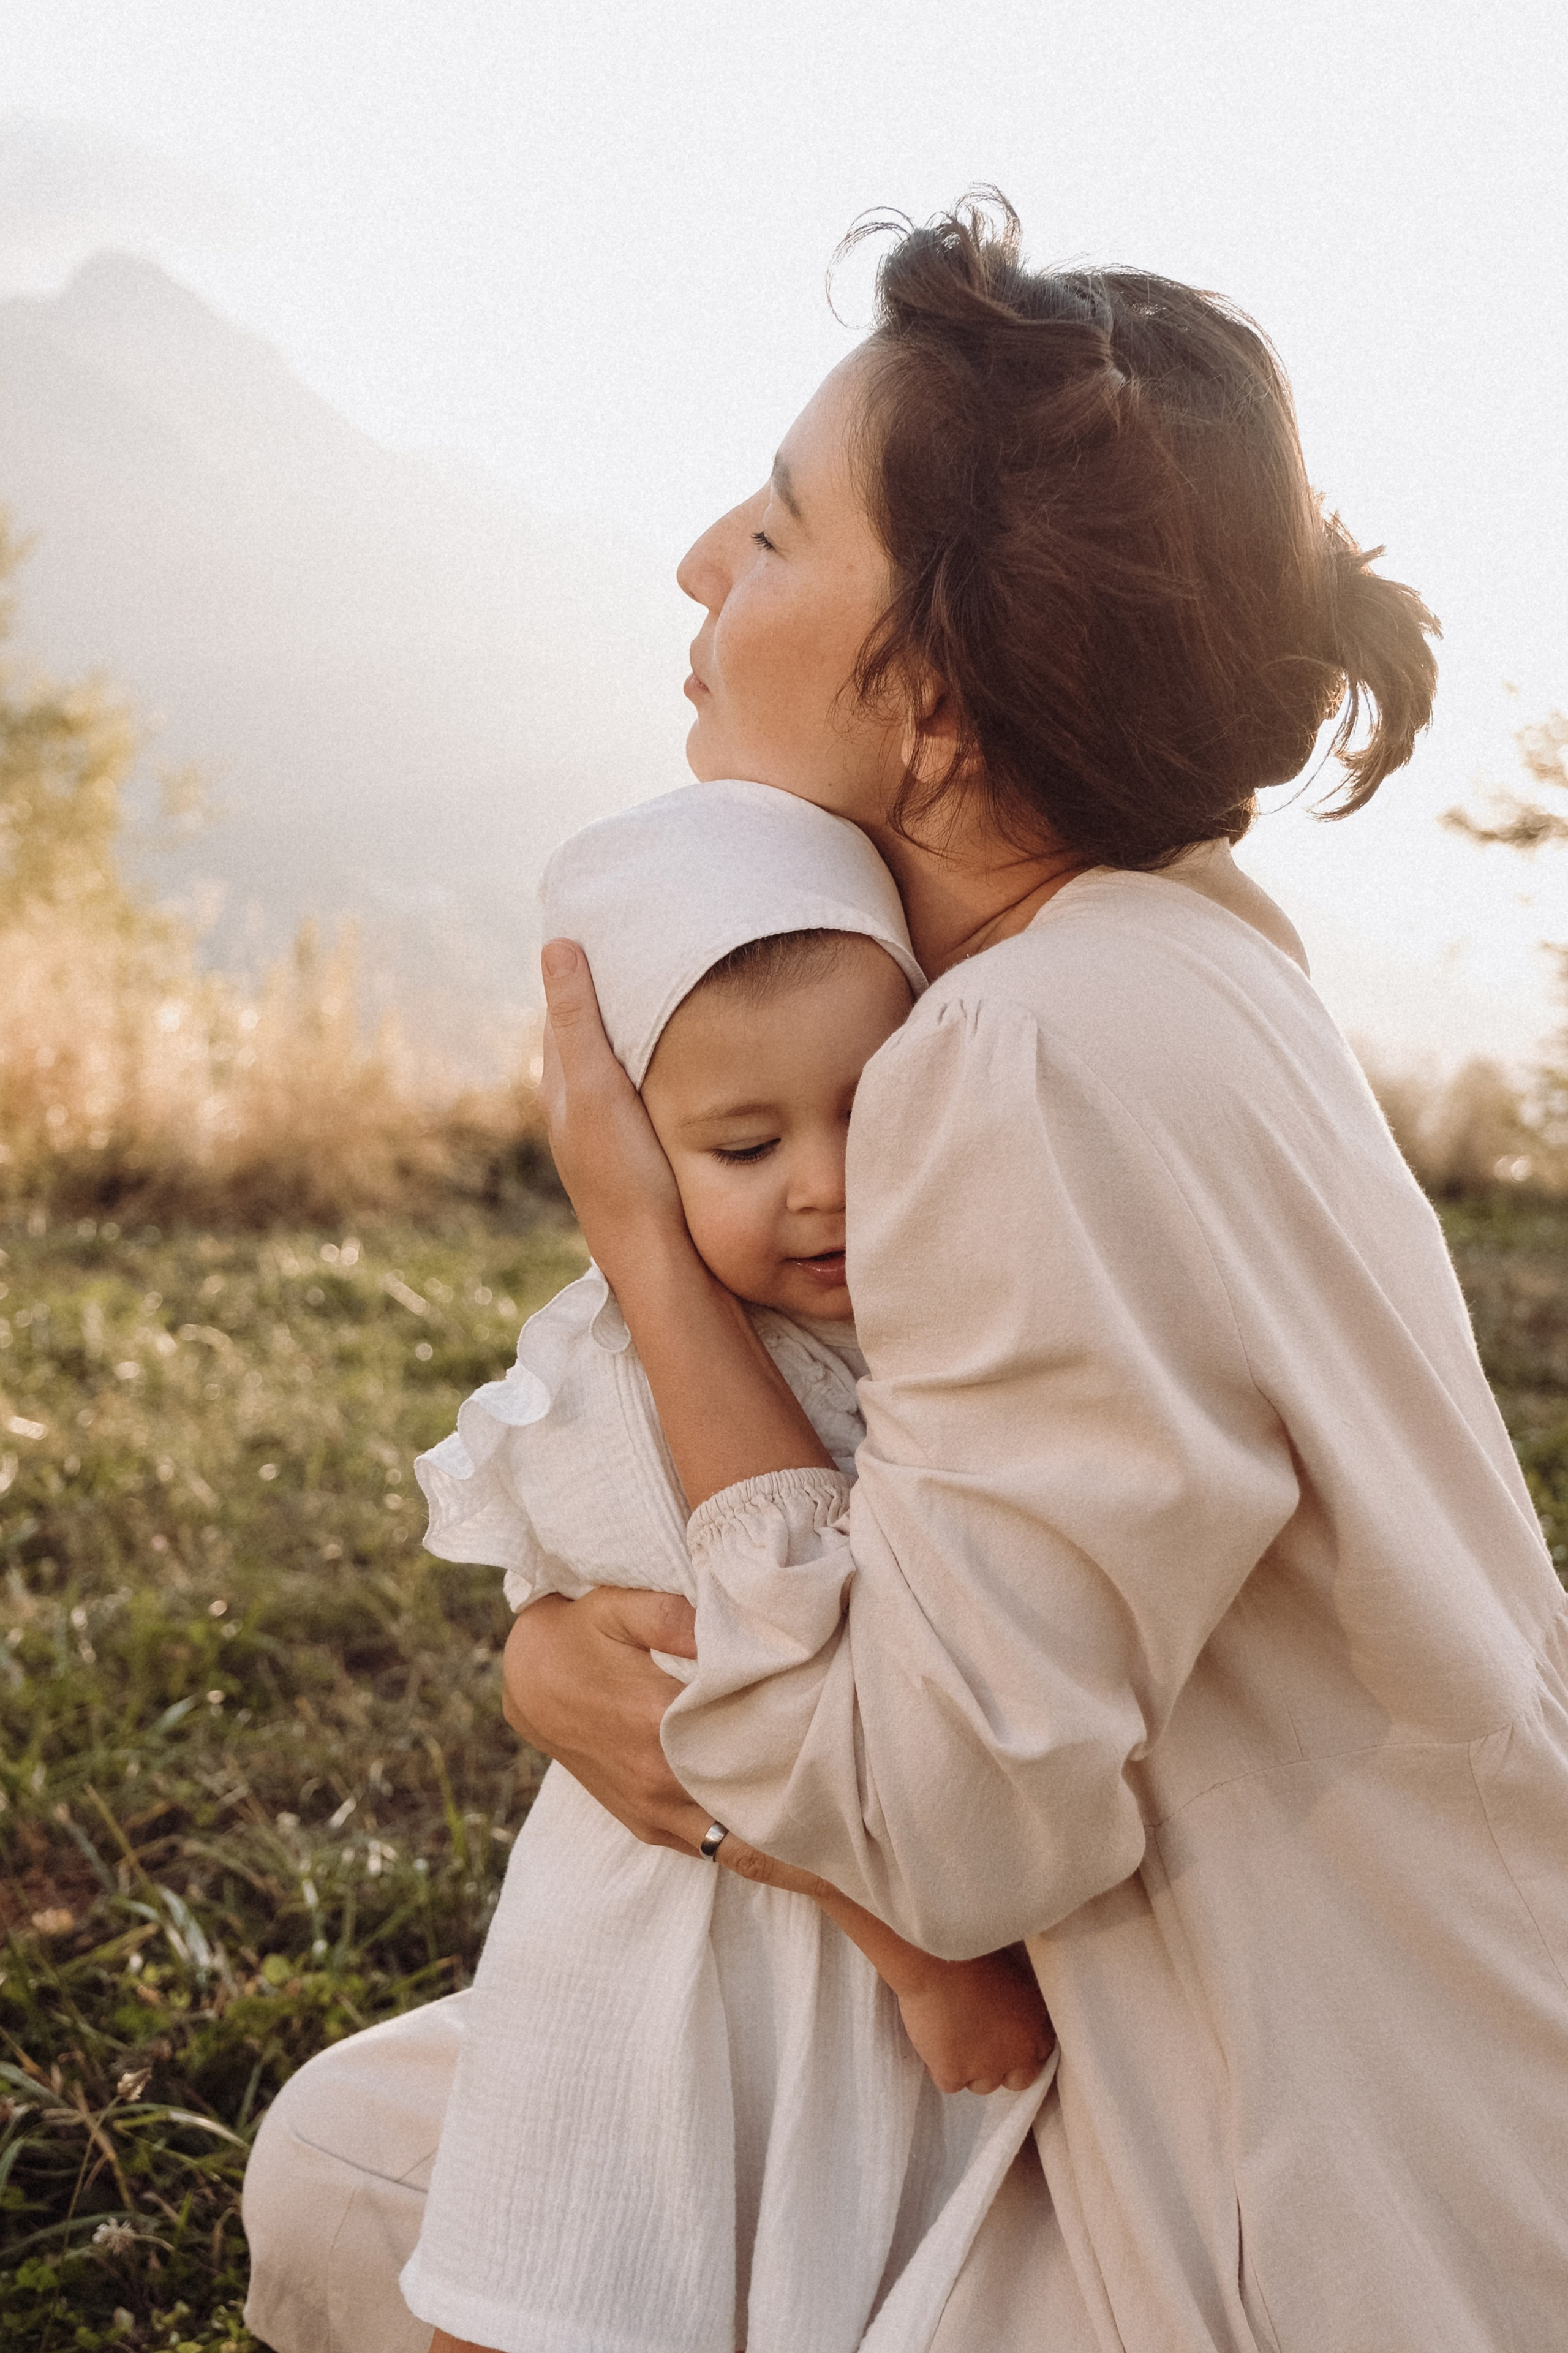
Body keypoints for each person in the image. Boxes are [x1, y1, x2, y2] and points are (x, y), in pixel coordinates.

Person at [507, 200, 1568, 2350]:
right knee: (416, 2151)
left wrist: (647, 1236)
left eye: (788, 531)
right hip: (1427, 2088)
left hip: (1274, 2197)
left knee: (400, 2193)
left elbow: (945, 1825)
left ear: (943, 701)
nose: (707, 556)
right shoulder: (1169, 949)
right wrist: (562, 1661)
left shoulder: (1023, 1059)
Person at [394, 779, 1053, 2353]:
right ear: (626, 1143)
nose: (823, 1182)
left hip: (851, 1997)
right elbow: (740, 1695)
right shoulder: (626, 1384)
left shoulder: (931, 1323)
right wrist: (925, 1963)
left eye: (869, 1113)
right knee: (578, 2290)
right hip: (670, 1976)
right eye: (743, 1144)